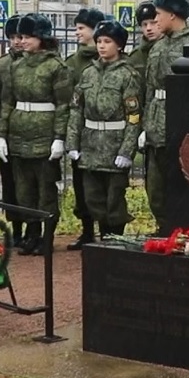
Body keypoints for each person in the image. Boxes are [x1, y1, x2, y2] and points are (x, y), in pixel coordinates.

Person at [0, 13, 72, 256]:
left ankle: (46, 236)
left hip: (44, 135)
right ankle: (31, 233)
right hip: (19, 136)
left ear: (42, 38)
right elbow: (7, 102)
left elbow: (63, 105)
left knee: (45, 189)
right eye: (21, 36)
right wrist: (1, 135)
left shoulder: (56, 67)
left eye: (28, 36)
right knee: (23, 190)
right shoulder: (16, 67)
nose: (23, 41)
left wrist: (59, 137)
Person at [66, 20, 142, 239]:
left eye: (107, 41)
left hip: (114, 144)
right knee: (92, 198)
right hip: (90, 146)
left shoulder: (128, 75)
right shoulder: (88, 73)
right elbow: (76, 110)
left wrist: (126, 151)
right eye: (99, 41)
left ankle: (114, 238)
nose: (101, 46)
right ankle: (102, 235)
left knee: (114, 198)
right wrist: (72, 143)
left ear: (119, 45)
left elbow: (134, 116)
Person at [141, 0, 189, 234]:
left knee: (181, 185)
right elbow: (150, 88)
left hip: (180, 124)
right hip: (156, 125)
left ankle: (184, 231)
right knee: (155, 187)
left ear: (173, 14)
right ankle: (164, 227)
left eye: (159, 13)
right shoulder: (158, 46)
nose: (155, 20)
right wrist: (146, 125)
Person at [64, 7, 105, 251]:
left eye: (81, 28)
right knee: (81, 183)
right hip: (81, 130)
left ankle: (107, 231)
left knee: (103, 184)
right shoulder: (73, 62)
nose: (77, 32)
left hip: (106, 132)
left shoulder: (108, 60)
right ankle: (87, 230)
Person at [0, 15, 24, 245]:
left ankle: (33, 229)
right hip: (7, 131)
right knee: (10, 184)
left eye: (21, 37)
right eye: (13, 37)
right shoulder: (1, 65)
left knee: (29, 185)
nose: (17, 42)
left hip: (31, 132)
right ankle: (16, 228)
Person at [125, 0, 161, 84]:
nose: (148, 28)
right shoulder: (135, 56)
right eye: (145, 24)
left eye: (153, 23)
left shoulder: (170, 49)